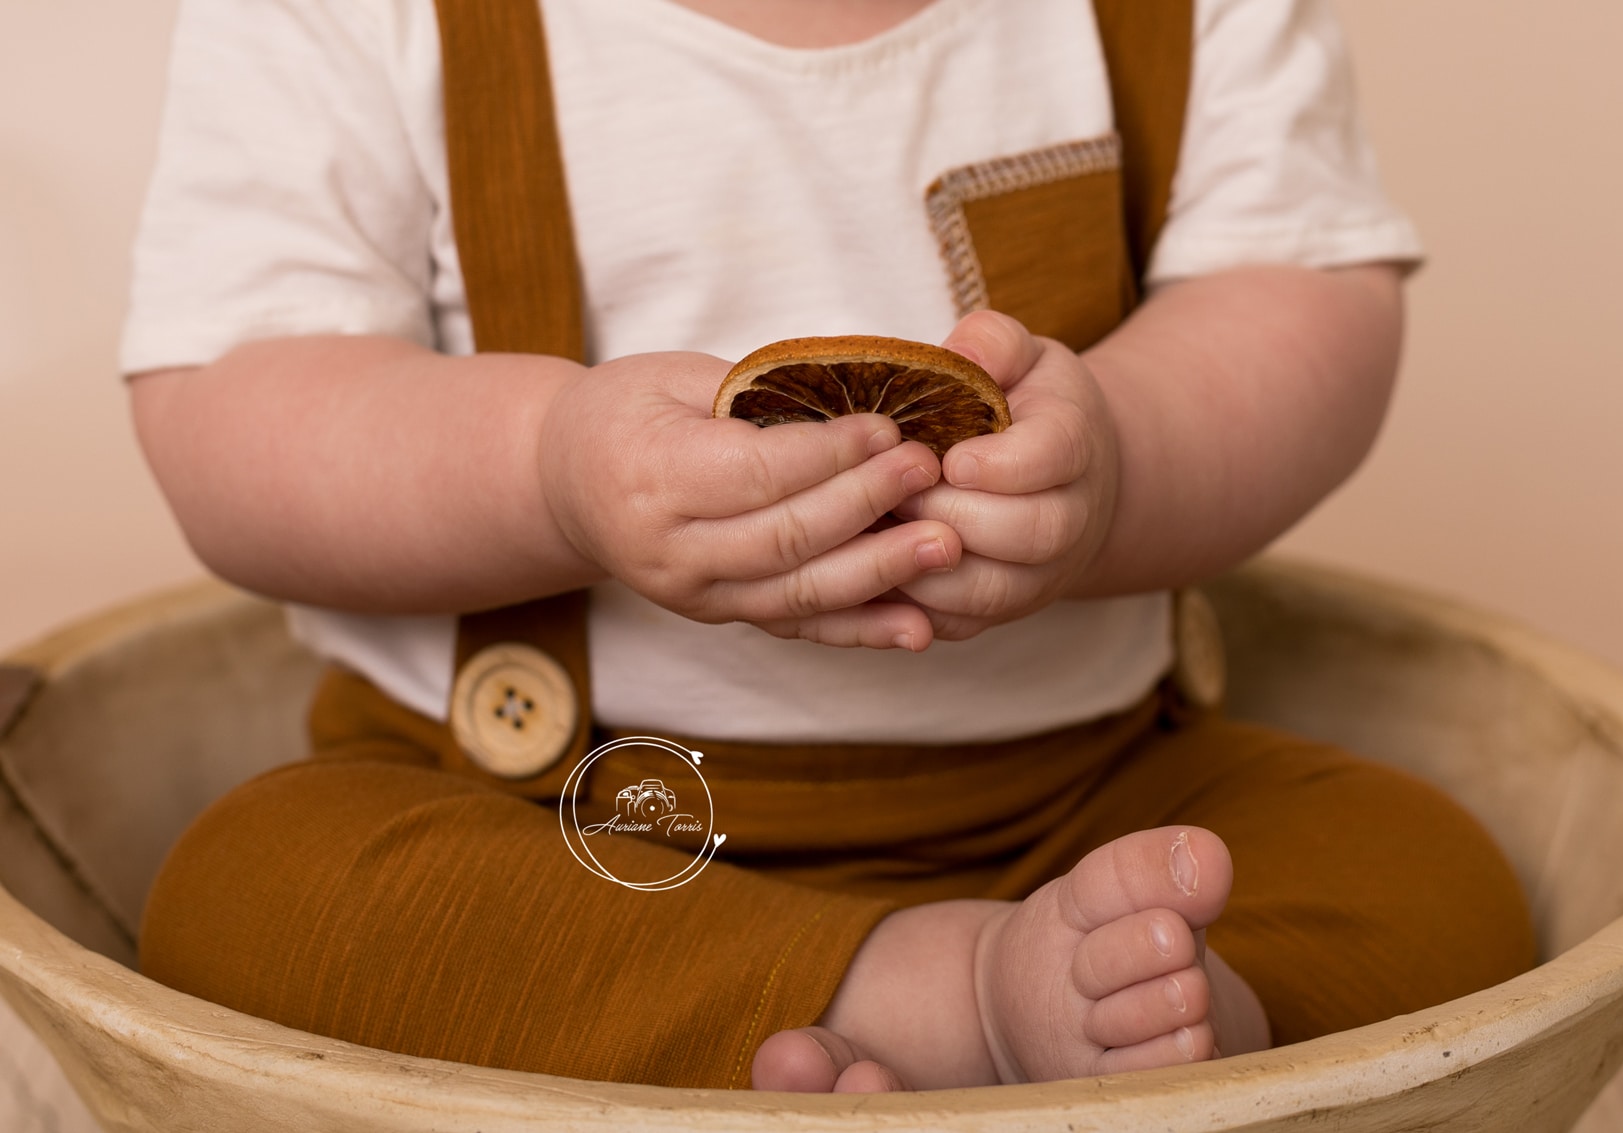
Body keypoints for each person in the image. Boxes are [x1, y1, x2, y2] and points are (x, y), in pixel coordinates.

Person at [122, 0, 1535, 1094]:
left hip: (1086, 800)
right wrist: (551, 469)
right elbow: (234, 416)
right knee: (252, 891)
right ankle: (942, 1008)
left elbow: (1303, 300)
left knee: (1438, 882)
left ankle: (1164, 1006)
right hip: (574, 828)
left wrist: (1119, 461)